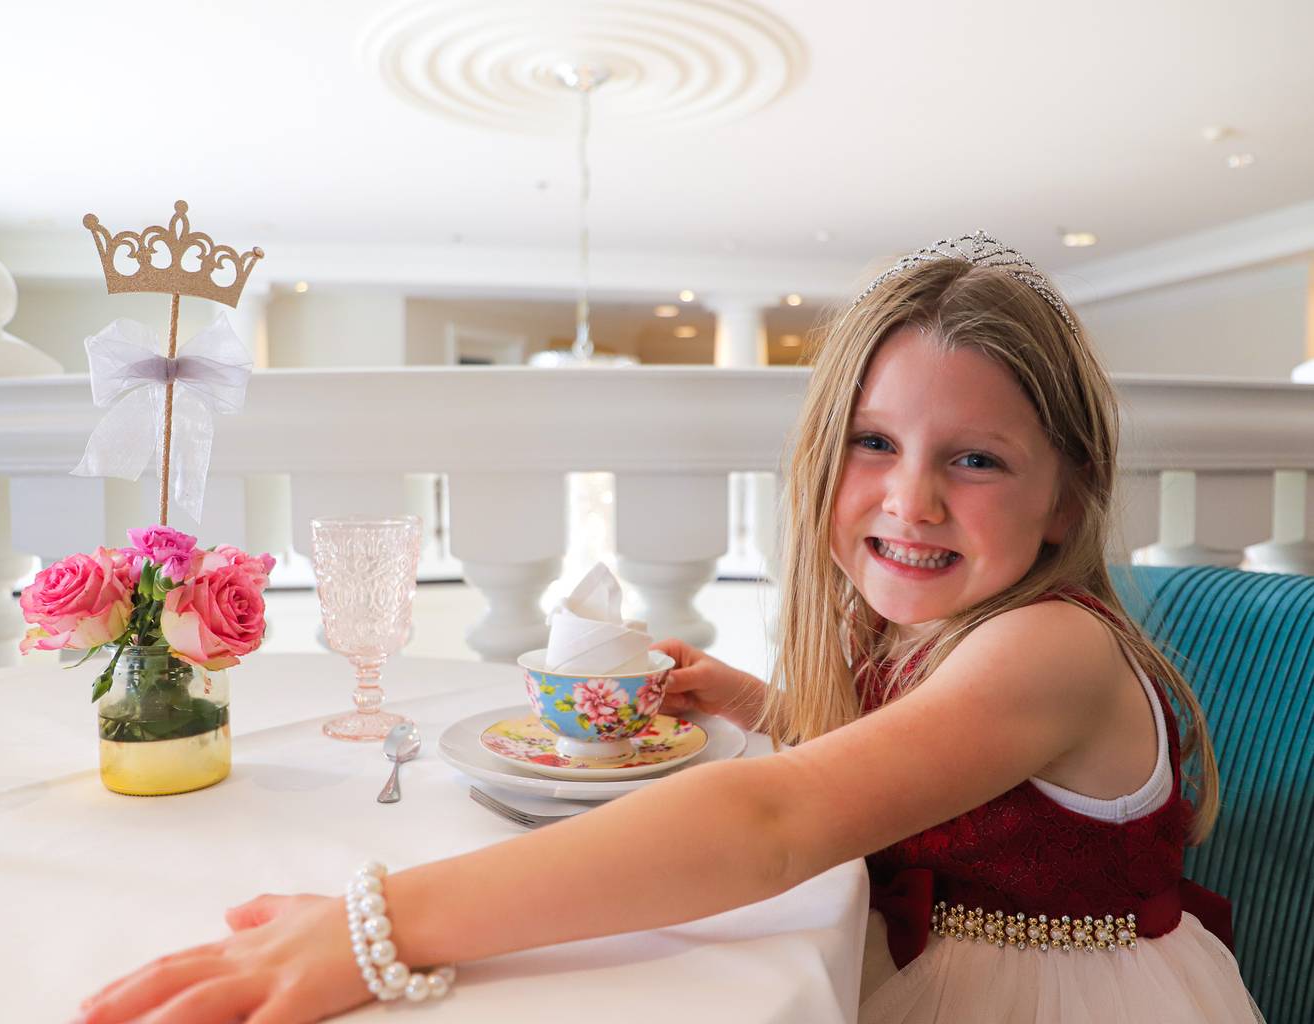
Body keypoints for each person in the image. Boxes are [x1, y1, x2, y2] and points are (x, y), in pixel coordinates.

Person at [74, 233, 1262, 1023]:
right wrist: (755, 700)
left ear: (1066, 493)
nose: (911, 499)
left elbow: (772, 814)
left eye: (976, 458)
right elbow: (905, 759)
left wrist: (376, 925)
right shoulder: (937, 638)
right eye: (875, 442)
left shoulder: (1046, 647)